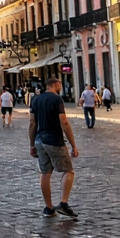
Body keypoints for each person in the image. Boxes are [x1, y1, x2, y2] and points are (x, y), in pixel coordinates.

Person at [29, 76, 79, 219]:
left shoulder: (36, 99)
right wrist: (73, 145)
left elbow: (32, 123)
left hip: (39, 140)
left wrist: (32, 144)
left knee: (45, 173)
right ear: (56, 84)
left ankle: (48, 208)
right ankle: (63, 203)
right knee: (68, 171)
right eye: (60, 84)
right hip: (54, 140)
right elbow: (64, 122)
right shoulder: (57, 99)